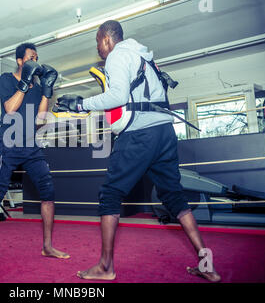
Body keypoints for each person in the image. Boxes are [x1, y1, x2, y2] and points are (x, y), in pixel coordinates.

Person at [56, 20, 221, 282]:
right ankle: (207, 265)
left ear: (107, 39)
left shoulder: (117, 56)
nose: (97, 47)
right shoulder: (143, 56)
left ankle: (105, 267)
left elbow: (118, 97)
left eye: (97, 41)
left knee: (110, 193)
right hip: (165, 131)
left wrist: (81, 105)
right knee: (175, 197)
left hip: (139, 134)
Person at [0, 43, 70, 266]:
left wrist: (46, 90)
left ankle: (47, 246)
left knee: (48, 191)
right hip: (9, 145)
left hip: (32, 145)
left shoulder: (35, 86)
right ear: (20, 61)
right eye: (31, 57)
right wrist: (24, 83)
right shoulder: (6, 79)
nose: (36, 60)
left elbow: (40, 118)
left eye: (37, 57)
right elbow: (10, 109)